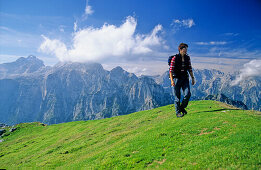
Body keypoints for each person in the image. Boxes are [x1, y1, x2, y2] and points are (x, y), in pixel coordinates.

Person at [169, 43, 195, 118]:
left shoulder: (187, 58)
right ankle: (178, 113)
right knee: (177, 97)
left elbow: (190, 68)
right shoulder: (175, 58)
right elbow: (171, 70)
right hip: (176, 79)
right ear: (180, 49)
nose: (186, 50)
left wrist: (192, 78)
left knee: (187, 94)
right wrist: (172, 81)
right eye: (185, 49)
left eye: (186, 49)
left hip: (185, 78)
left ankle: (181, 107)